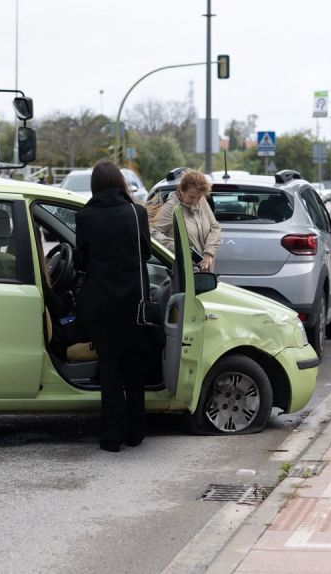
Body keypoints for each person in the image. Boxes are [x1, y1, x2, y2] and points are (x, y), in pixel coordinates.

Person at [74, 161, 153, 452]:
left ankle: (111, 436)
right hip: (134, 304)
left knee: (109, 369)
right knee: (133, 369)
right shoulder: (137, 213)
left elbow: (81, 261)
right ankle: (136, 430)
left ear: (95, 185)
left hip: (101, 305)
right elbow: (145, 253)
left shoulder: (86, 217)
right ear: (120, 182)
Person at [151, 170, 221, 272]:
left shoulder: (201, 200)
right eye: (191, 197)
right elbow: (152, 233)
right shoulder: (171, 207)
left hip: (205, 272)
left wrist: (209, 252)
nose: (195, 201)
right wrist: (177, 247)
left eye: (199, 197)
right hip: (183, 272)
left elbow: (215, 227)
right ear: (181, 190)